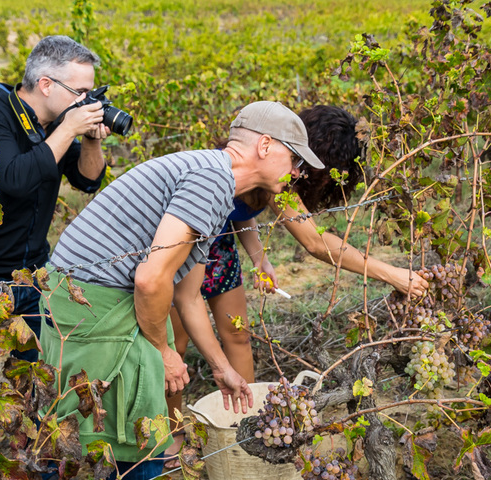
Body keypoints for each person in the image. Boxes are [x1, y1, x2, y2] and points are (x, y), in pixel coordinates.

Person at [40, 101, 324, 479]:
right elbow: (150, 279)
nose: (297, 172)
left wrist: (221, 369)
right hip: (92, 311)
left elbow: (187, 296)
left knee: (106, 442)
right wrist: (163, 351)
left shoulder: (212, 179)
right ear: (266, 146)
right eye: (294, 159)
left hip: (91, 304)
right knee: (113, 451)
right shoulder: (211, 180)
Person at [163, 106, 429, 467]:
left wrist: (258, 257)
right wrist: (393, 274)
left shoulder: (272, 176)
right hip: (180, 242)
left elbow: (242, 213)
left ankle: (246, 425)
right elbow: (316, 243)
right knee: (172, 347)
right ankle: (172, 433)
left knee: (238, 336)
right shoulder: (273, 171)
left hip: (221, 242)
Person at [0, 35, 109, 479]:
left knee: (30, 385)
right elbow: (14, 180)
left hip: (33, 275)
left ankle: (23, 465)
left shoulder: (54, 122)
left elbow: (87, 180)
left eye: (91, 94)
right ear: (45, 83)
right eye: (80, 93)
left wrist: (90, 137)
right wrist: (69, 129)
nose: (86, 101)